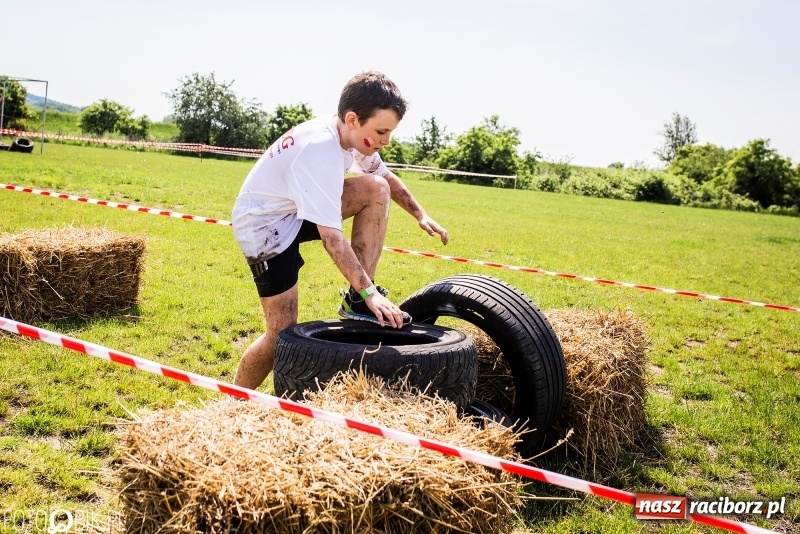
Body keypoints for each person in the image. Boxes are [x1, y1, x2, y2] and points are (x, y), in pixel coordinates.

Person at [231, 71, 449, 390]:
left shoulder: (355, 138)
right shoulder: (321, 149)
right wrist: (371, 294)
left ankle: (356, 303)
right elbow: (332, 239)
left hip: (291, 208)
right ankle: (233, 402)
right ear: (352, 119)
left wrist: (420, 213)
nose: (386, 141)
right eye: (381, 132)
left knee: (375, 188)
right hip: (264, 226)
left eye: (390, 132)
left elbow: (384, 178)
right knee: (280, 333)